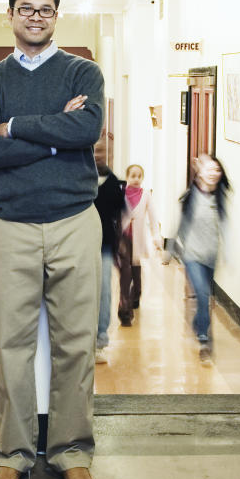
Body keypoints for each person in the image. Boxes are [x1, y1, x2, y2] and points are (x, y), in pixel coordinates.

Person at [0, 0, 105, 479]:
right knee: (9, 346)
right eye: (27, 8)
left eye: (46, 9)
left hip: (74, 221)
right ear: (11, 14)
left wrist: (16, 126)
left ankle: (73, 454)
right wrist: (53, 138)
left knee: (76, 343)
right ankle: (13, 456)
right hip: (12, 227)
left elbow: (85, 132)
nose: (36, 17)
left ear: (56, 15)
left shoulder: (83, 72)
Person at [175, 154, 230, 366]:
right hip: (192, 255)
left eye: (217, 170)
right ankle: (205, 342)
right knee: (202, 294)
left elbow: (225, 227)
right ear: (199, 172)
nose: (214, 173)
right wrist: (170, 250)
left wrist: (228, 254)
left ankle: (199, 324)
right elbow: (180, 225)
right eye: (210, 169)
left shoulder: (220, 198)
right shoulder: (190, 196)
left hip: (210, 255)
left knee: (204, 296)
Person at [117, 164, 162, 326]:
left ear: (142, 178)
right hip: (123, 238)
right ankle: (125, 305)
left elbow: (153, 217)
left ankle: (136, 295)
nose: (136, 179)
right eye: (133, 176)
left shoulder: (146, 196)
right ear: (127, 177)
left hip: (138, 237)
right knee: (125, 270)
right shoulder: (120, 193)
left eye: (139, 176)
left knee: (136, 270)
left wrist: (157, 236)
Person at [93, 139, 125, 363]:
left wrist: (120, 245)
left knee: (104, 290)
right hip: (79, 245)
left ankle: (100, 338)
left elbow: (120, 217)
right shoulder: (80, 180)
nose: (98, 155)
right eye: (95, 151)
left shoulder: (115, 184)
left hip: (104, 246)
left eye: (102, 151)